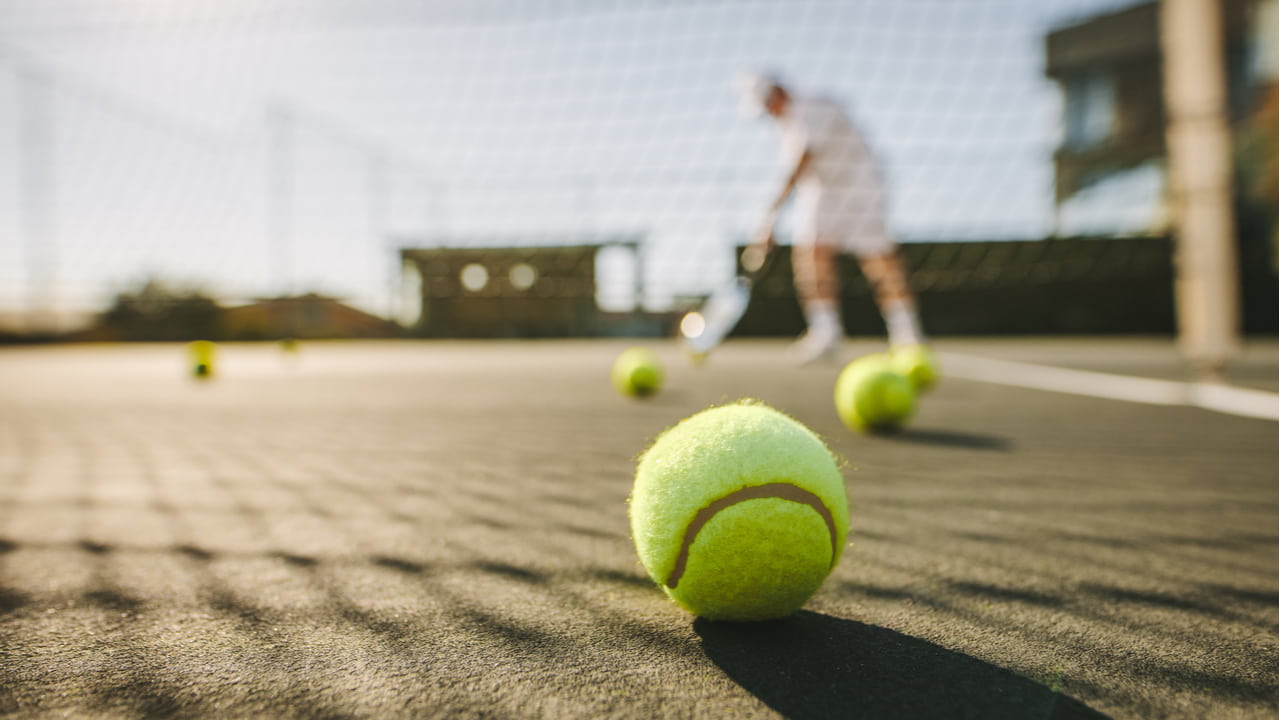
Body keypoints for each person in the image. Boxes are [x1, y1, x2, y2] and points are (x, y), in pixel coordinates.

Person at [736, 71, 928, 364]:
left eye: (766, 105)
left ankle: (907, 335)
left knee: (878, 257)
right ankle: (826, 332)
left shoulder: (812, 107)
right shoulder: (785, 125)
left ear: (776, 93)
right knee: (811, 254)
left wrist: (770, 217)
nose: (767, 114)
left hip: (860, 184)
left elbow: (802, 162)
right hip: (822, 191)